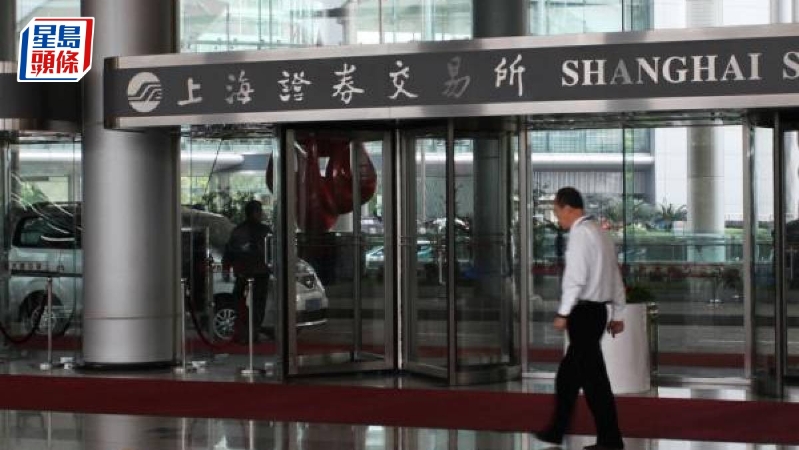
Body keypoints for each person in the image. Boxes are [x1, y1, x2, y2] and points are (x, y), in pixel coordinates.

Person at [535, 187, 626, 450]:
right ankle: (557, 430)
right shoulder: (600, 231)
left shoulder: (579, 234)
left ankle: (610, 439)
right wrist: (618, 312)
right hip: (596, 313)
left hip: (582, 314)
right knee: (568, 377)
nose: (557, 217)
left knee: (594, 382)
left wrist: (563, 312)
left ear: (568, 208)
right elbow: (614, 274)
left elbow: (575, 278)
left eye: (557, 211)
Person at [222, 200, 274, 343]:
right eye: (260, 211)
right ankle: (253, 332)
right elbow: (271, 251)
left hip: (242, 272)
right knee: (258, 304)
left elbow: (229, 251)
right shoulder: (264, 231)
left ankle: (244, 331)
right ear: (255, 212)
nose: (262, 214)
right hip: (260, 272)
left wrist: (226, 268)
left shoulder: (238, 230)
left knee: (238, 300)